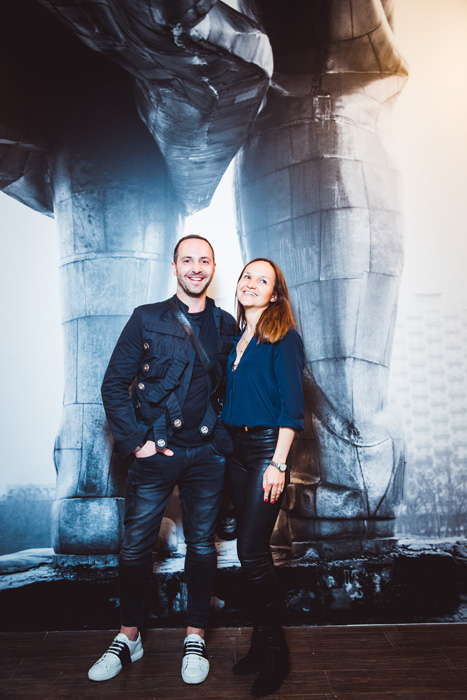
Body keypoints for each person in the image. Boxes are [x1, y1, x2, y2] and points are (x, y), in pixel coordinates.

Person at [88, 234, 236, 684]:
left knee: (202, 547)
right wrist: (137, 443)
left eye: (204, 260)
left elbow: (234, 391)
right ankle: (128, 637)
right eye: (187, 260)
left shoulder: (227, 324)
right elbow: (113, 385)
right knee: (135, 548)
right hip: (156, 453)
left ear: (213, 267)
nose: (196, 268)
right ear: (174, 267)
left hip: (208, 456)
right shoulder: (146, 318)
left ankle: (195, 637)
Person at [221, 258, 305, 698]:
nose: (250, 283)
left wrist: (278, 464)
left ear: (274, 295)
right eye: (246, 276)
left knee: (251, 551)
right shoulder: (237, 339)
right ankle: (261, 641)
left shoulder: (283, 337)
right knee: (250, 553)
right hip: (235, 452)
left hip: (266, 452)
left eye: (262, 280)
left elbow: (293, 407)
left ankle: (276, 651)